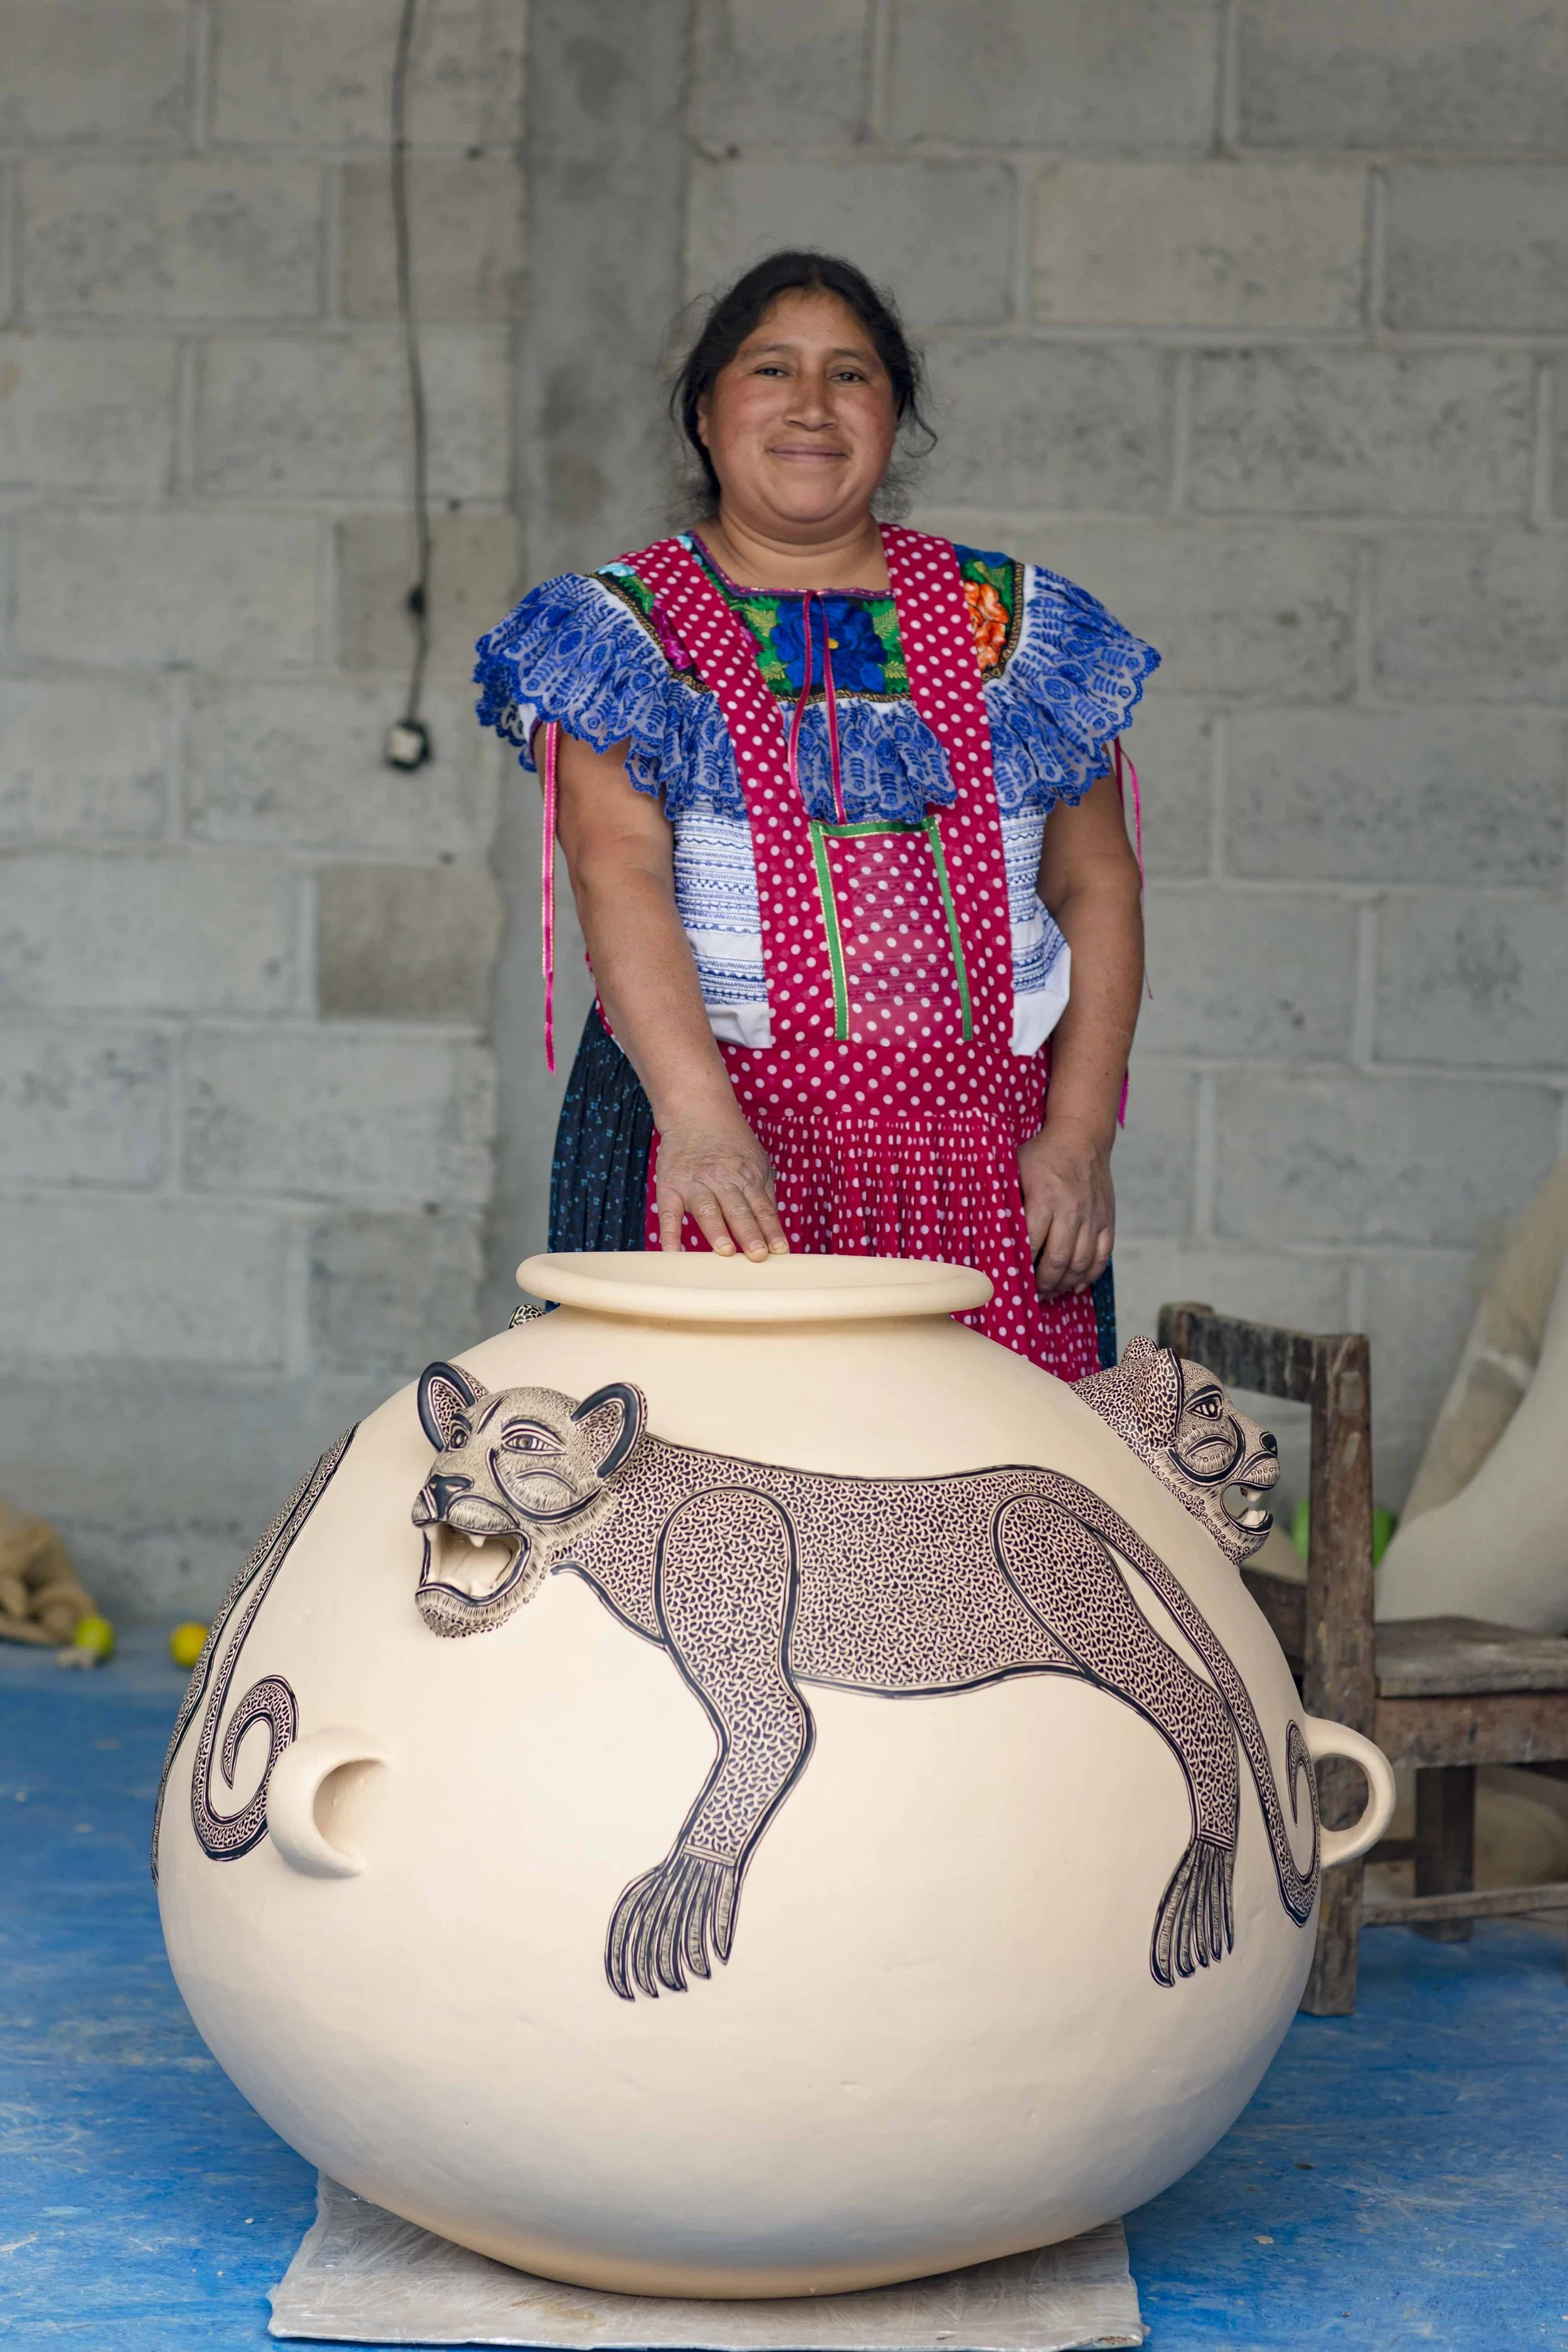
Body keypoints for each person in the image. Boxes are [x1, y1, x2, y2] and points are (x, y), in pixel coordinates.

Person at [475, 251, 1155, 1379]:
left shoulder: (1018, 627)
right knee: (714, 1499)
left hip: (981, 1165)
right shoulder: (623, 630)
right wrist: (698, 1124)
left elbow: (1100, 884)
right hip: (718, 1154)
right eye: (770, 370)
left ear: (896, 415)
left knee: (971, 1506)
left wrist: (1080, 1137)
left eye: (851, 375)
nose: (810, 406)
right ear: (705, 412)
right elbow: (616, 872)